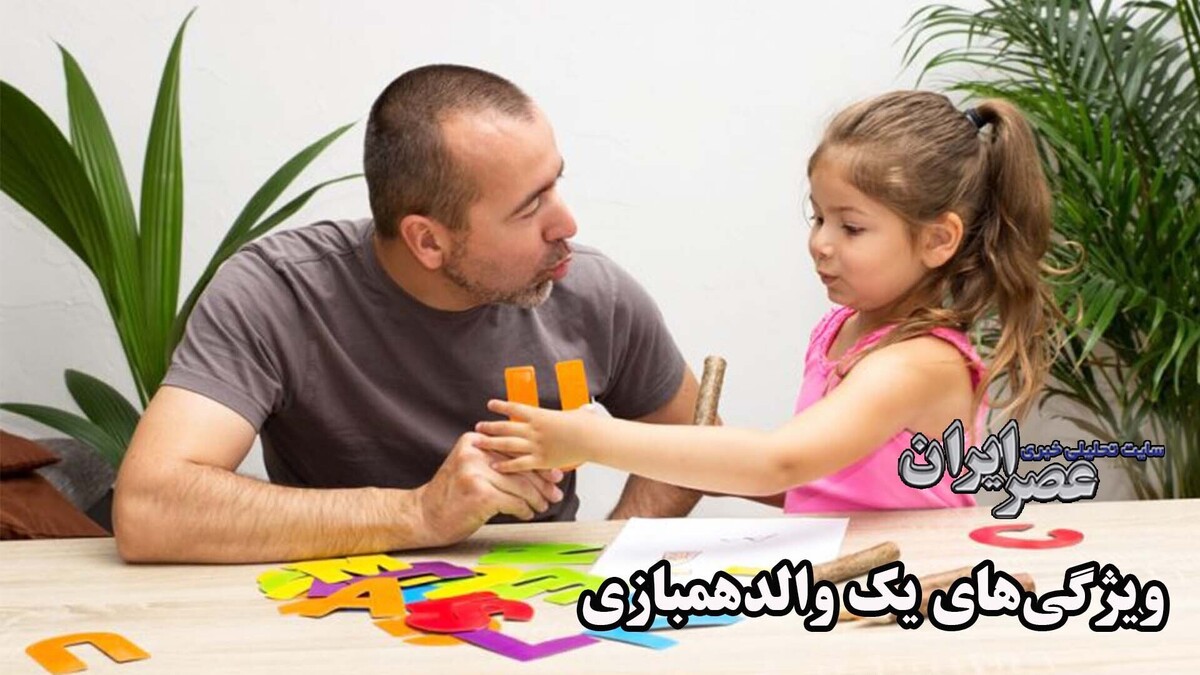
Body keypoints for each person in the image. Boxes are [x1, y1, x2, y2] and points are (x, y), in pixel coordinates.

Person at [113, 65, 704, 563]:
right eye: (530, 208)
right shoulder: (278, 292)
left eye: (556, 183)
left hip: (540, 617)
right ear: (428, 241)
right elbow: (149, 508)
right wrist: (418, 513)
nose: (567, 224)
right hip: (335, 611)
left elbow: (694, 445)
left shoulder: (593, 292)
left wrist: (613, 558)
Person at [475, 91, 1059, 512]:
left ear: (938, 240)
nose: (821, 243)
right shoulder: (843, 328)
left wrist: (587, 439)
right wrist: (706, 459)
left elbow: (782, 461)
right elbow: (812, 484)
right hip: (849, 583)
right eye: (818, 217)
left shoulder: (921, 362)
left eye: (852, 227)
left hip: (915, 589)